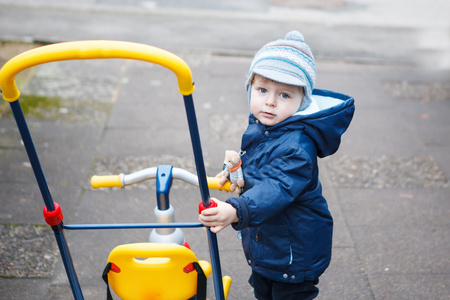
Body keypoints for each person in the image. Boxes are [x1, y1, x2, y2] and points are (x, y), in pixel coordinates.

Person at [199, 31, 355, 300]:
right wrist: (235, 172)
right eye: (262, 90)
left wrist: (235, 209)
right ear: (250, 89)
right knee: (263, 290)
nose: (270, 101)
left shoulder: (297, 146)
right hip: (271, 241)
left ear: (302, 100)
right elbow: (259, 161)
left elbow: (276, 187)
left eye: (284, 95)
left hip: (294, 251)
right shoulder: (267, 126)